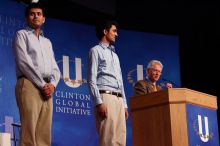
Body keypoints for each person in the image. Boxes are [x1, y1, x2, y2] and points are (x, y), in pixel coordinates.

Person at [12, 3, 60, 146]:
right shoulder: (21, 35)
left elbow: (55, 68)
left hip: (47, 88)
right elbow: (24, 63)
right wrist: (42, 84)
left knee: (44, 134)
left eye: (39, 14)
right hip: (29, 84)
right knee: (29, 132)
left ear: (43, 19)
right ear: (27, 18)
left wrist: (52, 84)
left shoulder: (47, 42)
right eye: (32, 14)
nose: (36, 17)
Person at [87, 20, 129, 146]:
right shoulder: (95, 51)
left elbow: (120, 81)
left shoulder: (115, 56)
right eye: (114, 31)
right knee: (108, 140)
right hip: (105, 96)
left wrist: (125, 104)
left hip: (119, 99)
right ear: (105, 31)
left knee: (120, 140)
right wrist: (99, 102)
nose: (117, 34)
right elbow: (91, 79)